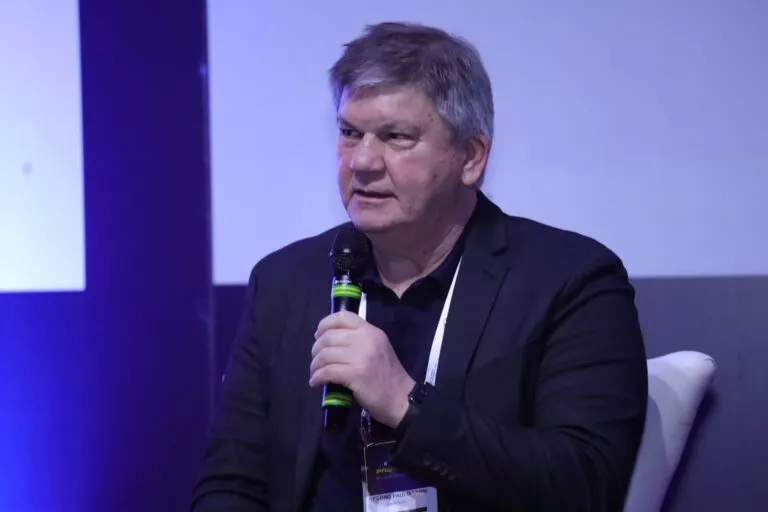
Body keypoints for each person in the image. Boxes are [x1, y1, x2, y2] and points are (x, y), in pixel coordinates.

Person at [191, 21, 647, 512]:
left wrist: (404, 403)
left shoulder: (569, 280)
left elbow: (585, 482)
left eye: (396, 137)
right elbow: (231, 485)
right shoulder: (285, 282)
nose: (362, 161)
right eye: (349, 133)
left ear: (471, 157)